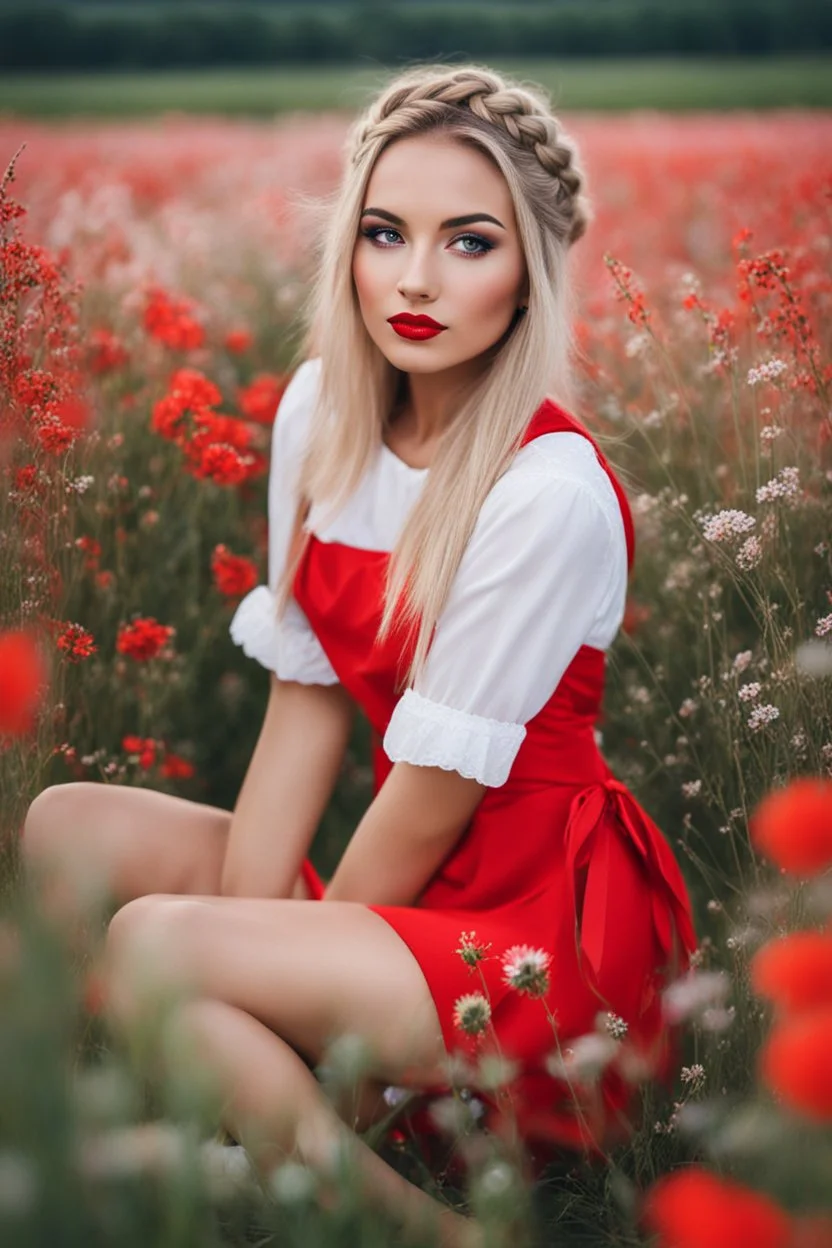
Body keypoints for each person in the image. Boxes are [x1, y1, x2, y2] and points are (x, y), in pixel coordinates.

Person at [22, 62, 697, 1247]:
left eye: (470, 243)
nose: (416, 279)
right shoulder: (322, 408)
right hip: (408, 893)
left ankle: (414, 1223)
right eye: (385, 233)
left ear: (529, 277)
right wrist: (257, 952)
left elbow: (431, 803)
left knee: (156, 948)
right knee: (65, 827)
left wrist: (251, 982)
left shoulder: (547, 488)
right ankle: (259, 1124)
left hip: (539, 941)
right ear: (351, 243)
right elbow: (305, 707)